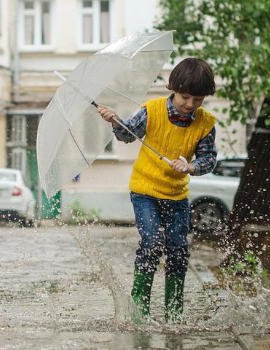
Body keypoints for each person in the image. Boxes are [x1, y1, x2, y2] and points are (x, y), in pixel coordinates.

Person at [97, 57, 218, 322]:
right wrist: (115, 121)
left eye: (198, 100)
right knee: (151, 242)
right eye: (185, 97)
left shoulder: (206, 123)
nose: (190, 105)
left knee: (178, 250)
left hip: (177, 195)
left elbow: (209, 160)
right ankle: (140, 312)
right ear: (173, 89)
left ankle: (173, 314)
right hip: (145, 191)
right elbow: (127, 135)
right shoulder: (152, 110)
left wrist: (192, 167)